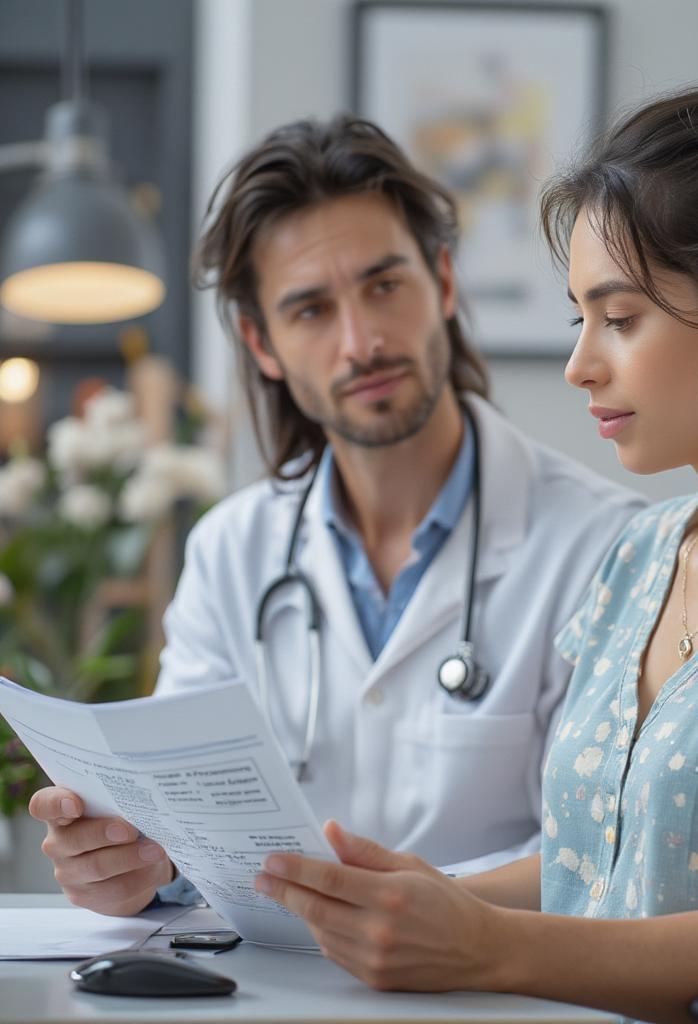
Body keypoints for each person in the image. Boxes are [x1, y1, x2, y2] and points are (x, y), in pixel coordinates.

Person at [242, 25, 698, 1024]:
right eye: (577, 319)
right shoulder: (641, 556)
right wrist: (416, 899)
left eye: (622, 318)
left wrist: (485, 945)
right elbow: (588, 866)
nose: (580, 365)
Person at [27, 116, 644, 917]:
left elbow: (602, 845)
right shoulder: (230, 551)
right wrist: (133, 862)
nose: (363, 342)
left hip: (497, 998)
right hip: (264, 992)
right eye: (312, 310)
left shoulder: (607, 544)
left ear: (444, 284)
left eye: (385, 285)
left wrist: (409, 910)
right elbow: (181, 824)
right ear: (262, 344)